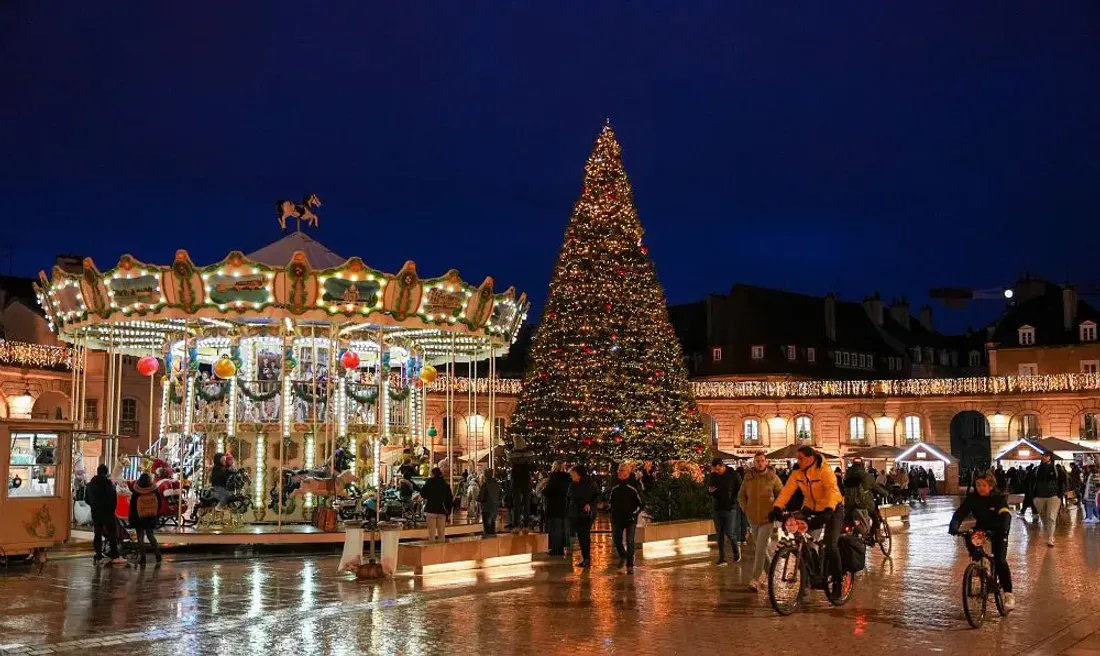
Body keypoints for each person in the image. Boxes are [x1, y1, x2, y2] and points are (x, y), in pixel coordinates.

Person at [769, 447, 845, 591]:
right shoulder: (798, 473)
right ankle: (811, 573)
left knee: (831, 545)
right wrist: (776, 508)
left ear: (810, 459)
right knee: (800, 536)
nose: (798, 461)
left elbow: (831, 491)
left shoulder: (825, 471)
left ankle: (837, 582)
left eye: (801, 458)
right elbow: (786, 492)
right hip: (811, 508)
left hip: (833, 509)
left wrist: (828, 510)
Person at [948, 470, 1014, 611]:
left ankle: (1008, 594)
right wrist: (954, 526)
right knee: (971, 540)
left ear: (990, 486)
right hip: (982, 529)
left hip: (998, 529)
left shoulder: (997, 498)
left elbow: (1005, 515)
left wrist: (1003, 529)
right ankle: (978, 568)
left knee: (1000, 560)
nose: (980, 488)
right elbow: (960, 513)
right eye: (977, 485)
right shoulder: (973, 498)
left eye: (983, 485)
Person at [738, 451, 783, 591]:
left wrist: (775, 509)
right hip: (752, 519)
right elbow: (741, 496)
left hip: (767, 518)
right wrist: (746, 509)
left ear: (766, 462)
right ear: (754, 462)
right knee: (760, 549)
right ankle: (771, 574)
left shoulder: (773, 478)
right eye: (757, 461)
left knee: (760, 548)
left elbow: (781, 495)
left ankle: (755, 579)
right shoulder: (748, 478)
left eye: (762, 460)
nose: (760, 463)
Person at [608, 462, 644, 574]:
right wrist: (609, 507)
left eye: (621, 470)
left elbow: (642, 503)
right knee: (616, 539)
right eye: (618, 470)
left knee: (629, 540)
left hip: (630, 518)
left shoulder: (634, 485)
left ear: (627, 472)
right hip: (616, 517)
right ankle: (623, 555)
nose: (618, 472)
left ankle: (630, 564)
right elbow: (610, 498)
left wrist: (634, 514)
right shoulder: (614, 484)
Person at [85, 464, 125, 565]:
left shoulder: (90, 485)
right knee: (112, 534)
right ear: (106, 473)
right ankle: (115, 555)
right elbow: (113, 499)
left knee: (97, 534)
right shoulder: (108, 484)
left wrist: (94, 506)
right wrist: (112, 509)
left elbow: (87, 500)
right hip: (108, 513)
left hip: (95, 513)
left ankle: (98, 556)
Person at [707, 458, 743, 564]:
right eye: (714, 470)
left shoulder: (733, 474)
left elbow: (740, 489)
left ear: (722, 466)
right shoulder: (713, 475)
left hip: (730, 508)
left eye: (718, 469)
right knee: (720, 534)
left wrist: (733, 500)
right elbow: (708, 489)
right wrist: (709, 491)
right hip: (717, 507)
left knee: (730, 533)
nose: (716, 472)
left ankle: (736, 551)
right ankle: (722, 557)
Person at [843, 457, 889, 537]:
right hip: (864, 504)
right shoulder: (866, 476)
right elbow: (877, 488)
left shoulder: (846, 476)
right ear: (862, 465)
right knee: (875, 517)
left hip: (849, 505)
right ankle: (877, 535)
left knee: (848, 521)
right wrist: (886, 493)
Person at [128, 473, 163, 565]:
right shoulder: (154, 489)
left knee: (140, 538)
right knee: (150, 536)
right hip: (151, 516)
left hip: (139, 517)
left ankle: (143, 558)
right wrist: (155, 512)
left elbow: (132, 506)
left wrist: (131, 518)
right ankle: (158, 556)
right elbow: (159, 503)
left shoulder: (136, 490)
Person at [568, 464, 599, 568]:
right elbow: (570, 498)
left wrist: (589, 504)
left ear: (578, 474)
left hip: (586, 514)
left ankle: (587, 559)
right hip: (576, 513)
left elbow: (597, 495)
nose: (571, 476)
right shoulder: (573, 484)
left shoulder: (589, 483)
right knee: (581, 536)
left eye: (573, 474)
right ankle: (585, 558)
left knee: (584, 535)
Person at [1032, 452, 1063, 546]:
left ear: (1050, 458)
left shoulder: (1056, 469)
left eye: (1046, 456)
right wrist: (1033, 495)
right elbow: (1032, 482)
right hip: (1039, 495)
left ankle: (1050, 537)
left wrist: (1060, 494)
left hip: (1053, 495)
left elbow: (1062, 482)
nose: (1044, 457)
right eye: (1043, 456)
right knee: (1043, 516)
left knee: (1051, 517)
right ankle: (1050, 533)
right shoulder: (1037, 469)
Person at [543, 461, 572, 556]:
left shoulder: (553, 477)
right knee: (563, 528)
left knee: (554, 528)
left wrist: (543, 489)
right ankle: (561, 548)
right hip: (564, 507)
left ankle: (555, 549)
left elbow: (548, 491)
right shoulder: (567, 478)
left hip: (554, 506)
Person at [420, 467, 454, 543]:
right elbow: (449, 498)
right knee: (441, 533)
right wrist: (449, 510)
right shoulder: (445, 484)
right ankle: (441, 551)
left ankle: (432, 550)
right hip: (442, 510)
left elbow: (422, 493)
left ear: (432, 474)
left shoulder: (429, 482)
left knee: (431, 533)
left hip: (431, 509)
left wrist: (429, 497)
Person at [509, 438, 534, 534]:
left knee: (517, 505)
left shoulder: (512, 455)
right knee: (526, 504)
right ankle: (526, 525)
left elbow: (509, 458)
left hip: (516, 481)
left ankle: (516, 525)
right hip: (526, 480)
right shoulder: (528, 453)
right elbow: (532, 456)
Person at [478, 469, 502, 536]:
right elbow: (500, 495)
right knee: (492, 523)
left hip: (486, 508)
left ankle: (488, 539)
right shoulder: (497, 484)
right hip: (494, 507)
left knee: (487, 525)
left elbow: (481, 497)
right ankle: (493, 539)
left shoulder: (485, 485)